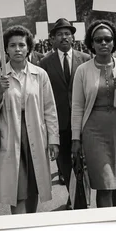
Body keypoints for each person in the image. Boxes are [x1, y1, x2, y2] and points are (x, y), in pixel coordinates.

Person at [0, 25, 59, 214]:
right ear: (6, 49)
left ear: (28, 48)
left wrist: (54, 140)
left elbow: (49, 109)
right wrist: (0, 92)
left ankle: (30, 223)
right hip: (11, 136)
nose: (17, 49)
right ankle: (19, 226)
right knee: (16, 188)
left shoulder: (40, 74)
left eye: (21, 45)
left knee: (33, 186)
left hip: (36, 135)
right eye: (12, 45)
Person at [71, 20, 116, 208]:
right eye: (98, 39)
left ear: (114, 42)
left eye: (108, 39)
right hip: (94, 133)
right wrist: (75, 139)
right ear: (91, 43)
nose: (104, 43)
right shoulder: (82, 70)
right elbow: (77, 107)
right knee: (104, 184)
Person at [40, 18, 91, 208]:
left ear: (73, 37)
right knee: (65, 165)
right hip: (58, 123)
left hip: (83, 121)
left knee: (84, 162)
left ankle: (82, 197)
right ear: (52, 39)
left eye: (67, 33)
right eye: (59, 34)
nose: (64, 37)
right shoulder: (44, 63)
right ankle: (73, 196)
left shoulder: (85, 59)